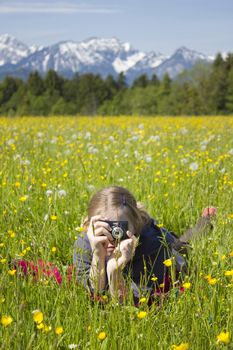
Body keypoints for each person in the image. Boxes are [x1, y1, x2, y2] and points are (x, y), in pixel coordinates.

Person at [73, 186, 215, 304]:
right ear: (91, 225)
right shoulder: (86, 241)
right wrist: (98, 254)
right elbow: (93, 291)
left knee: (183, 245)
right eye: (105, 228)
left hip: (165, 248)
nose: (112, 238)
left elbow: (134, 304)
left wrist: (114, 271)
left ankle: (205, 221)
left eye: (119, 229)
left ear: (136, 225)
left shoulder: (153, 245)